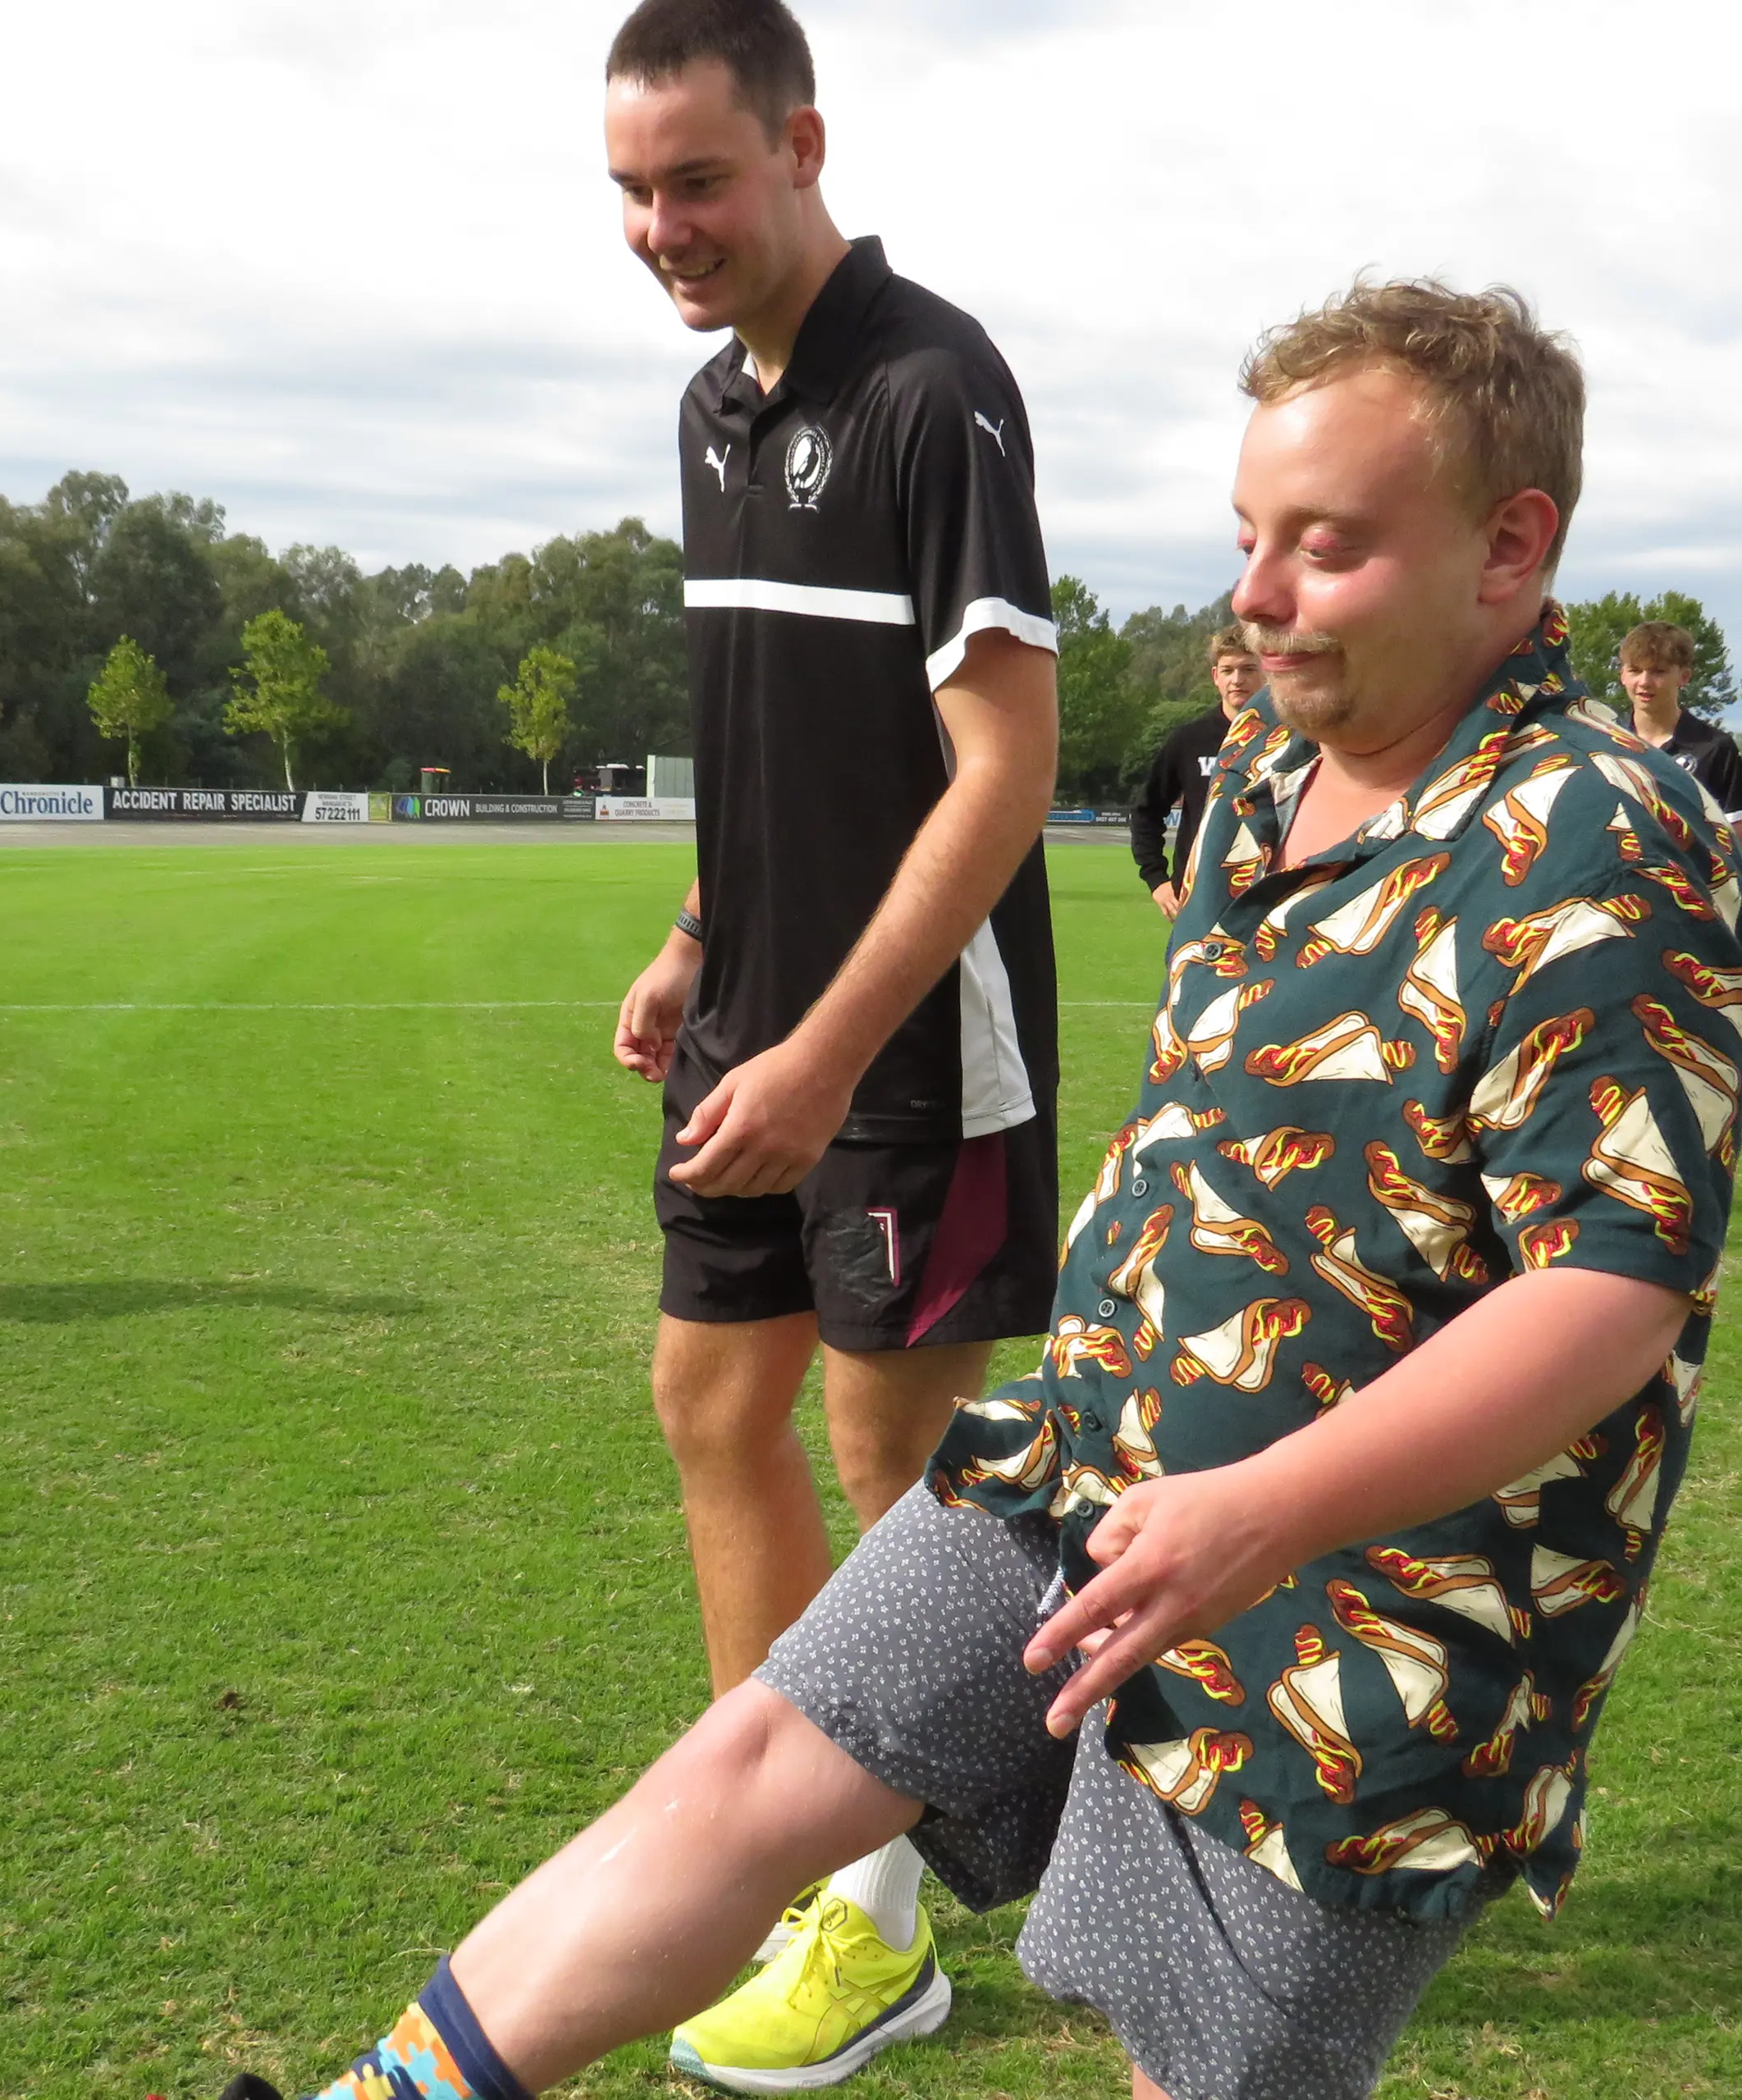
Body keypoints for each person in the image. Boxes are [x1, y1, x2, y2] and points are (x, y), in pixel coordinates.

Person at [222, 281, 1742, 2100]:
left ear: (1511, 547)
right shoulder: (1266, 776)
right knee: (742, 1773)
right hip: (1086, 1470)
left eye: (1327, 546)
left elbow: (1609, 1295)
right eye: (1249, 537)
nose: (1256, 594)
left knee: (1193, 2063)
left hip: (1366, 1620)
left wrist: (1258, 1511)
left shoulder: (1610, 837)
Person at [596, 0, 1063, 2084]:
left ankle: (873, 1926)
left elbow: (1001, 771)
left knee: (893, 1463)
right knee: (712, 1404)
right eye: (632, 191)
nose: (663, 227)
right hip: (750, 1025)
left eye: (697, 179)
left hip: (907, 1047)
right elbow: (767, 742)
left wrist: (823, 1053)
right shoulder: (710, 409)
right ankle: (781, 1855)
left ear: (801, 145)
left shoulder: (932, 389)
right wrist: (701, 936)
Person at [1128, 623, 1267, 915]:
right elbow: (1146, 812)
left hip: (1268, 899)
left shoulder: (1291, 738)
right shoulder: (1189, 740)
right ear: (1216, 676)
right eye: (1228, 670)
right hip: (1199, 900)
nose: (1237, 679)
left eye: (1248, 669)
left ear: (1266, 671)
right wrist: (1157, 879)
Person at [1616, 620, 1742, 851]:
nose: (1644, 682)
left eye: (1658, 672)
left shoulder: (1715, 747)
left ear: (1684, 676)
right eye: (1635, 671)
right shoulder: (1605, 741)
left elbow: (1739, 838)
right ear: (1623, 675)